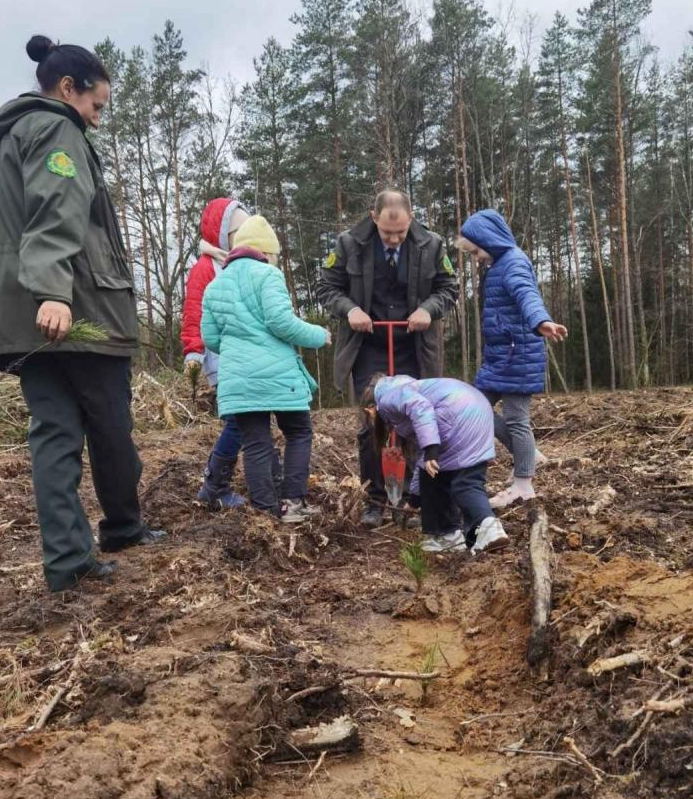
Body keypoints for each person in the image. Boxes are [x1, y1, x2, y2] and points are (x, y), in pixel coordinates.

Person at [0, 35, 164, 593]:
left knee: (54, 433)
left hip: (18, 315)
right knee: (110, 422)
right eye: (96, 105)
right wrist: (54, 292)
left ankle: (67, 563)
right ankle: (123, 527)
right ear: (69, 88)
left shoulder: (6, 136)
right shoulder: (55, 127)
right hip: (75, 309)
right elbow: (56, 210)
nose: (96, 118)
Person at [317, 189, 458, 527]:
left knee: (416, 422)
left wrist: (428, 309)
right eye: (386, 233)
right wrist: (350, 310)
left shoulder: (432, 245)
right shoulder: (349, 244)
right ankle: (375, 500)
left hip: (415, 347)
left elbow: (448, 288)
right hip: (368, 347)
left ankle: (414, 501)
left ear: (411, 219)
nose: (394, 239)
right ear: (373, 216)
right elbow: (327, 289)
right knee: (372, 425)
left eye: (401, 232)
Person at [200, 215, 330, 523]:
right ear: (266, 253)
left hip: (238, 382)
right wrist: (318, 335)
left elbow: (211, 338)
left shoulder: (215, 285)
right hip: (278, 378)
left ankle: (266, 513)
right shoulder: (268, 276)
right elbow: (280, 322)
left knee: (256, 443)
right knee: (298, 432)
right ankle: (293, 503)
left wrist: (239, 350)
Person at [458, 210, 567, 507]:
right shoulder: (497, 264)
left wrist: (540, 321)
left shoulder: (513, 263)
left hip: (518, 354)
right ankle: (527, 454)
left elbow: (526, 294)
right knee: (474, 405)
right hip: (500, 356)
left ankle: (523, 484)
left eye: (477, 250)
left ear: (490, 241)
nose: (477, 257)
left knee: (517, 419)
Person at [361, 375, 508, 554]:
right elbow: (423, 462)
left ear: (370, 409)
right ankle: (466, 533)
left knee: (460, 483)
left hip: (456, 416)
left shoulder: (388, 397)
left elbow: (420, 408)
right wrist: (415, 500)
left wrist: (431, 448)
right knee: (461, 479)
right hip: (478, 411)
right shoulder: (413, 388)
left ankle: (473, 530)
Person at [181, 197, 250, 509]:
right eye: (238, 230)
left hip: (247, 359)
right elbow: (193, 312)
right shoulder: (206, 268)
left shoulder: (245, 266)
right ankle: (215, 486)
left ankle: (261, 477)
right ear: (220, 233)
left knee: (252, 420)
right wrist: (193, 352)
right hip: (221, 360)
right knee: (238, 421)